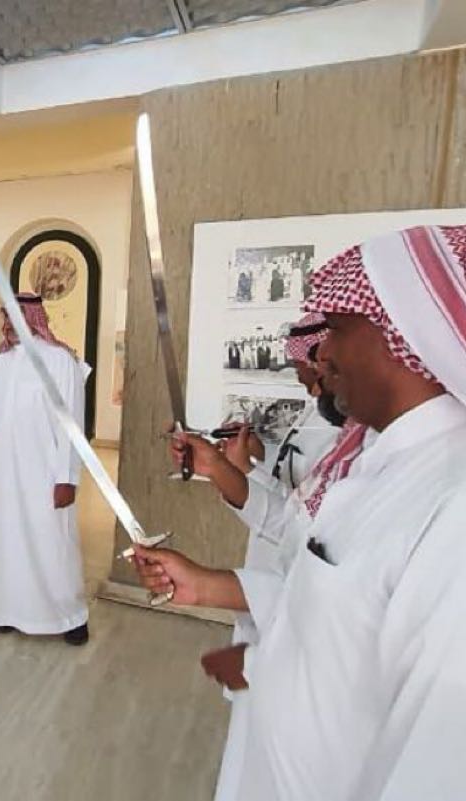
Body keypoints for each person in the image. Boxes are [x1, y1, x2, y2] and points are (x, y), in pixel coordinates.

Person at [134, 225, 466, 800]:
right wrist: (218, 599)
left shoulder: (450, 498)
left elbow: (435, 760)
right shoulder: (373, 457)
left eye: (338, 329)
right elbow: (329, 600)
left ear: (404, 332)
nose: (324, 353)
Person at [176, 312, 343, 801]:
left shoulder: (357, 438)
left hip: (300, 633)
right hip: (269, 586)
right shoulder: (322, 413)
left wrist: (225, 468)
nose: (307, 378)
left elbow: (301, 532)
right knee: (251, 744)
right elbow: (289, 508)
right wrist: (229, 464)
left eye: (312, 367)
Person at [0, 294, 92, 645]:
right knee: (7, 540)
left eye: (15, 317)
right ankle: (9, 610)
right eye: (5, 317)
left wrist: (67, 478)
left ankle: (70, 616)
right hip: (3, 473)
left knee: (53, 542)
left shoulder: (61, 361)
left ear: (34, 318)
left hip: (45, 472)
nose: (8, 325)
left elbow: (72, 425)